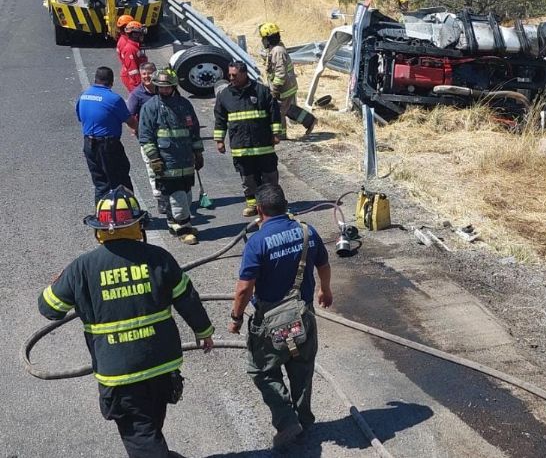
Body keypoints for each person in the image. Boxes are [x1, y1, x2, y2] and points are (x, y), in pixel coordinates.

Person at [38, 187, 215, 457]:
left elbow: (49, 308)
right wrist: (204, 332)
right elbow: (188, 299)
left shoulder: (82, 268)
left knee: (139, 434)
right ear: (137, 225)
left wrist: (59, 282)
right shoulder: (159, 258)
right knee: (150, 425)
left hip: (120, 374)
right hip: (162, 365)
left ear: (98, 229)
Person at [227, 184, 332, 449]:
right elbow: (323, 263)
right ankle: (304, 422)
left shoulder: (257, 243)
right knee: (302, 368)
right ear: (286, 205)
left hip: (270, 322)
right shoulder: (307, 231)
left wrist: (236, 318)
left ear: (260, 210)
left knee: (261, 370)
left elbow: (243, 289)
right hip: (303, 316)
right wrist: (325, 290)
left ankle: (287, 422)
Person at [138, 70, 204, 245]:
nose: (164, 90)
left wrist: (198, 153)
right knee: (177, 197)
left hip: (186, 161)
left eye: (167, 87)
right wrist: (154, 159)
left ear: (174, 86)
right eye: (160, 87)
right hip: (166, 161)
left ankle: (173, 224)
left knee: (186, 195)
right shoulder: (150, 107)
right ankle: (184, 229)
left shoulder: (184, 105)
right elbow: (145, 137)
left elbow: (194, 131)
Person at [213, 61, 283, 217]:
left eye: (234, 75)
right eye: (229, 75)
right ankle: (253, 205)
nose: (231, 78)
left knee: (270, 177)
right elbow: (220, 119)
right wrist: (219, 140)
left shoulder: (261, 91)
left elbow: (274, 114)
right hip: (241, 147)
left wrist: (276, 134)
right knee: (248, 179)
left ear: (244, 74)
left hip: (263, 145)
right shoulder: (224, 95)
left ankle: (274, 205)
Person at [77, 66, 137, 203]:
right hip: (108, 145)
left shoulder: (83, 96)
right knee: (121, 180)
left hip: (89, 143)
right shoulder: (113, 99)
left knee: (100, 183)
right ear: (111, 81)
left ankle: (102, 215)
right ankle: (128, 213)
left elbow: (81, 117)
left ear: (95, 79)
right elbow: (131, 121)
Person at [258, 22, 315, 138]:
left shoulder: (278, 51)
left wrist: (274, 90)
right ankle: (309, 120)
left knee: (280, 111)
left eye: (263, 39)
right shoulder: (275, 49)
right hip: (285, 87)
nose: (262, 41)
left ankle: (281, 135)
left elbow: (280, 73)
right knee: (287, 109)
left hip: (284, 88)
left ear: (268, 39)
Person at [125, 62, 164, 211]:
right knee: (153, 168)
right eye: (144, 74)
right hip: (148, 139)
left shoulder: (164, 89)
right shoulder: (136, 94)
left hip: (167, 137)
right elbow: (128, 115)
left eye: (150, 73)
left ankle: (171, 195)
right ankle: (160, 198)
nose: (147, 77)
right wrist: (138, 129)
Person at [118, 21, 149, 92]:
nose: (142, 36)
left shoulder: (135, 47)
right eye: (140, 33)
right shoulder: (130, 49)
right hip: (133, 81)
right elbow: (133, 70)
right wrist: (141, 86)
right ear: (134, 34)